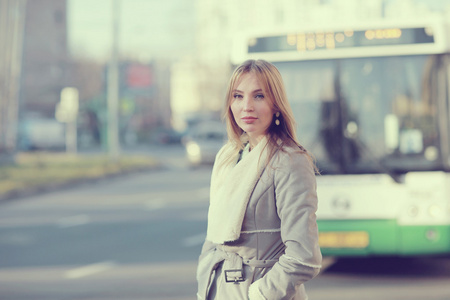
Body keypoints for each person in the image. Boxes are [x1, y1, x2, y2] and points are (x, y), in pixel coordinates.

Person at [196, 59, 322, 300]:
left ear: (276, 104)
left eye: (259, 96)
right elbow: (213, 237)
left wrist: (259, 294)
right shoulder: (229, 156)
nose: (247, 106)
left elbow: (304, 256)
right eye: (238, 96)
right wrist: (205, 283)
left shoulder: (289, 160)